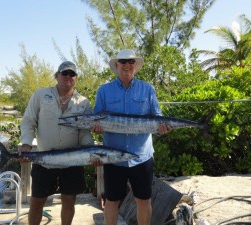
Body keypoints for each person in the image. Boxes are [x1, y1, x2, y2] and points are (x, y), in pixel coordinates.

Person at [93, 49, 172, 225]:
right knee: (111, 201)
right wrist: (96, 128)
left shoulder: (148, 89)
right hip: (113, 157)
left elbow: (157, 116)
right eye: (123, 61)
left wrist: (163, 128)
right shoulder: (104, 91)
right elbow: (95, 119)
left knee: (143, 200)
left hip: (142, 157)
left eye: (131, 62)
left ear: (135, 66)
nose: (127, 65)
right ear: (116, 65)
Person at [19, 61, 94, 225]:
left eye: (72, 74)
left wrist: (92, 153)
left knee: (69, 201)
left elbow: (84, 132)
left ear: (76, 78)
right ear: (57, 75)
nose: (68, 77)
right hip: (44, 160)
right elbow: (28, 122)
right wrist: (25, 143)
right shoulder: (40, 95)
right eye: (64, 73)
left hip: (72, 161)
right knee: (37, 202)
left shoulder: (83, 102)